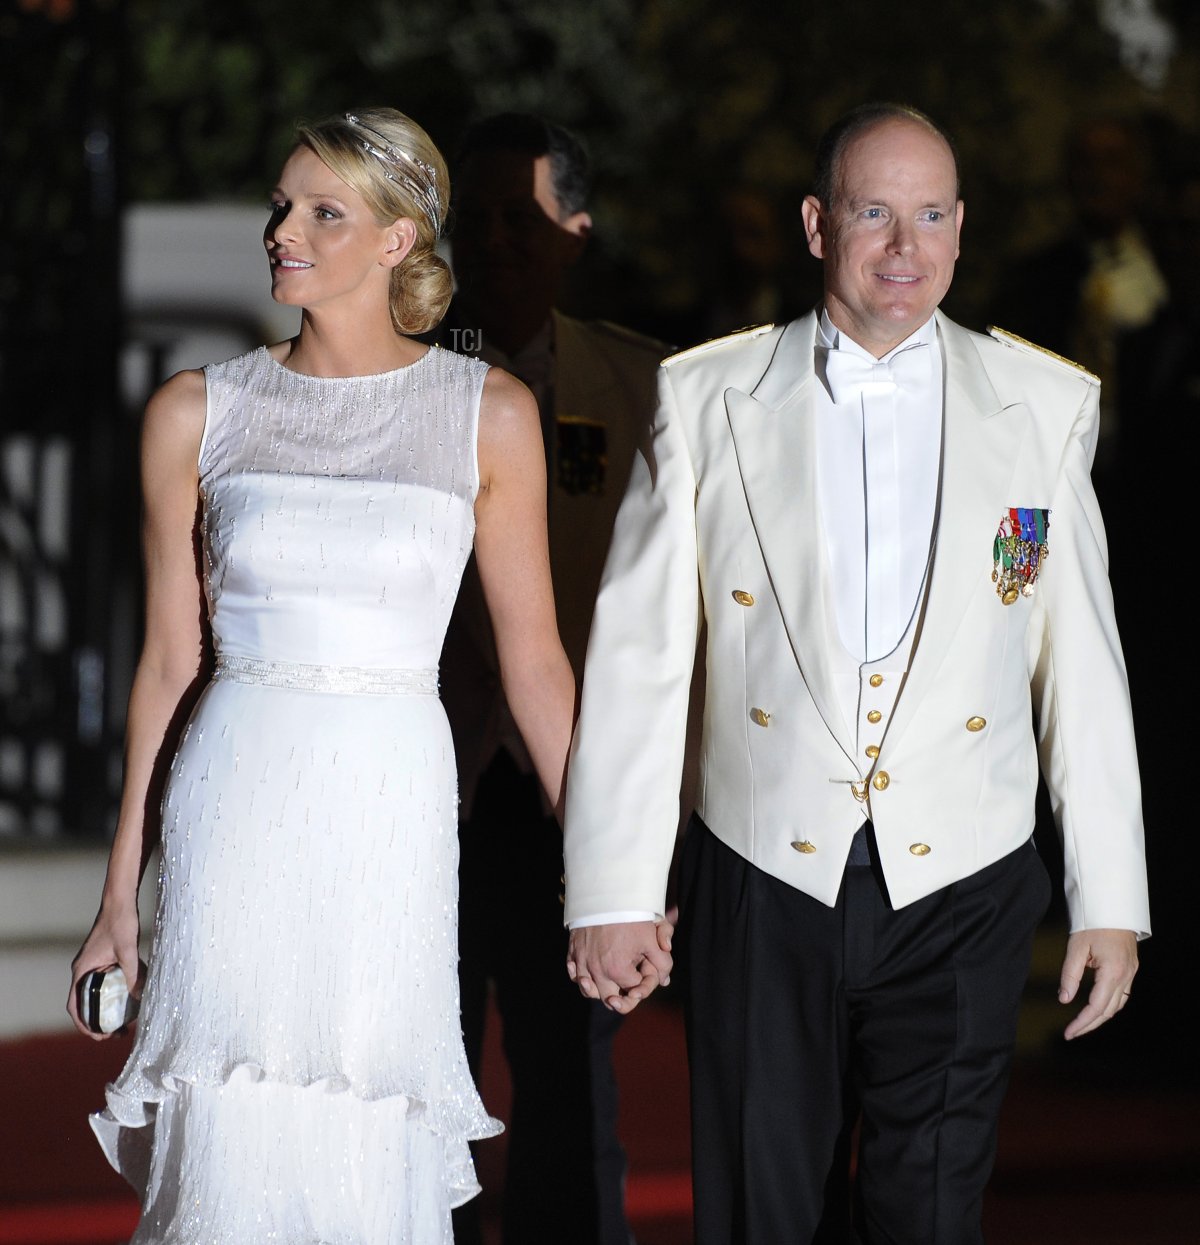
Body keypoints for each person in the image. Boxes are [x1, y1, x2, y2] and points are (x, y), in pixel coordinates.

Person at [563, 102, 1150, 1244]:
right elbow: (640, 660)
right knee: (760, 1211)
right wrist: (615, 888)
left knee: (927, 1214)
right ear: (817, 224)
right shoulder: (705, 399)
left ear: (963, 229)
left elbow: (1079, 661)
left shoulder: (1042, 407)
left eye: (930, 216)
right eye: (875, 213)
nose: (904, 246)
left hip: (968, 883)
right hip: (762, 867)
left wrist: (1111, 897)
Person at [67, 106, 575, 1242]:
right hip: (233, 798)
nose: (283, 230)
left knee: (361, 1119)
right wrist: (118, 896)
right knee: (235, 1125)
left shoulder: (486, 414)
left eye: (323, 211)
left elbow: (534, 660)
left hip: (388, 808)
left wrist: (611, 871)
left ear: (398, 241)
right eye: (283, 205)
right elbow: (164, 664)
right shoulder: (197, 412)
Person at [432, 113, 667, 1245]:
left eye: (518, 221)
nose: (492, 244)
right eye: (469, 220)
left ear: (576, 230)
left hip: (562, 791)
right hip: (419, 782)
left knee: (570, 1079)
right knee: (418, 1078)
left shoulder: (644, 391)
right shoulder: (392, 375)